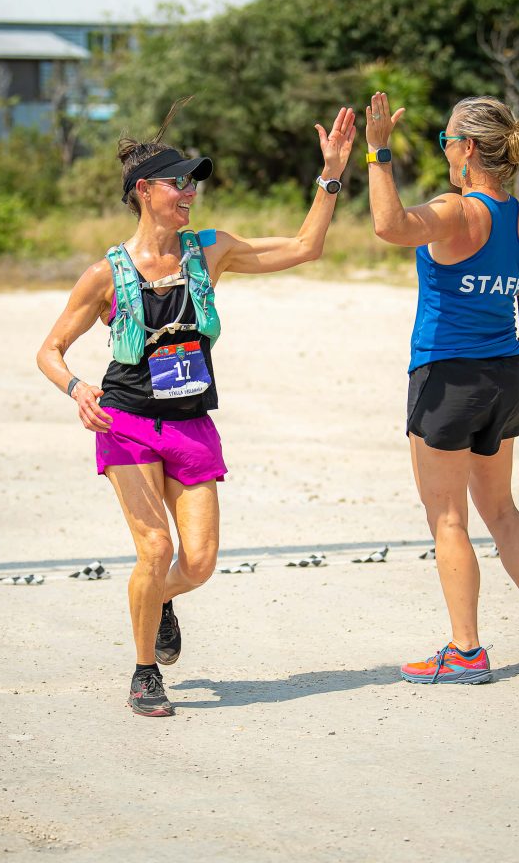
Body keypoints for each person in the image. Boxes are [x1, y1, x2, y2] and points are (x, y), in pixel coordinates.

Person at [37, 103, 356, 715]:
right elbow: (49, 350)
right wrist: (78, 390)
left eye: (192, 182)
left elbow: (305, 246)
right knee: (155, 550)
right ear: (143, 192)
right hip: (126, 424)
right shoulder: (105, 274)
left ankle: (155, 601)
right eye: (177, 182)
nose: (189, 192)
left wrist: (333, 172)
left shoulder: (210, 251)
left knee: (200, 563)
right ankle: (143, 672)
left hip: (191, 426)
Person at [364, 91, 519, 684]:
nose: (445, 150)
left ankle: (467, 650)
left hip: (446, 378)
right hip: (504, 375)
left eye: (447, 140)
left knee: (448, 515)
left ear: (468, 148)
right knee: (500, 508)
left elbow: (388, 225)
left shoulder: (457, 212)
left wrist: (379, 153)